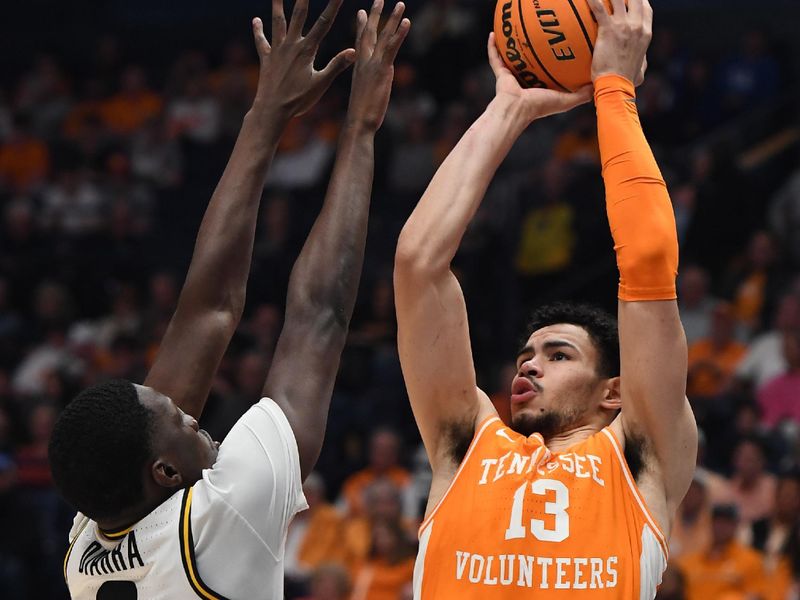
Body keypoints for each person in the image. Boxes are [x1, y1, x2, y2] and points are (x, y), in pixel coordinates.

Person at [49, 1, 410, 598]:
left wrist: (266, 113)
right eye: (179, 421)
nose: (191, 413)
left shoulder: (87, 541)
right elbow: (318, 316)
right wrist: (362, 127)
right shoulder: (223, 516)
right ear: (163, 472)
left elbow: (207, 310)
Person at [393, 0, 696, 597]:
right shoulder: (466, 444)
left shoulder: (642, 458)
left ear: (615, 391)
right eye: (529, 354)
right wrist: (507, 110)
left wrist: (613, 90)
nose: (528, 363)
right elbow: (417, 265)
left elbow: (648, 264)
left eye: (558, 355)